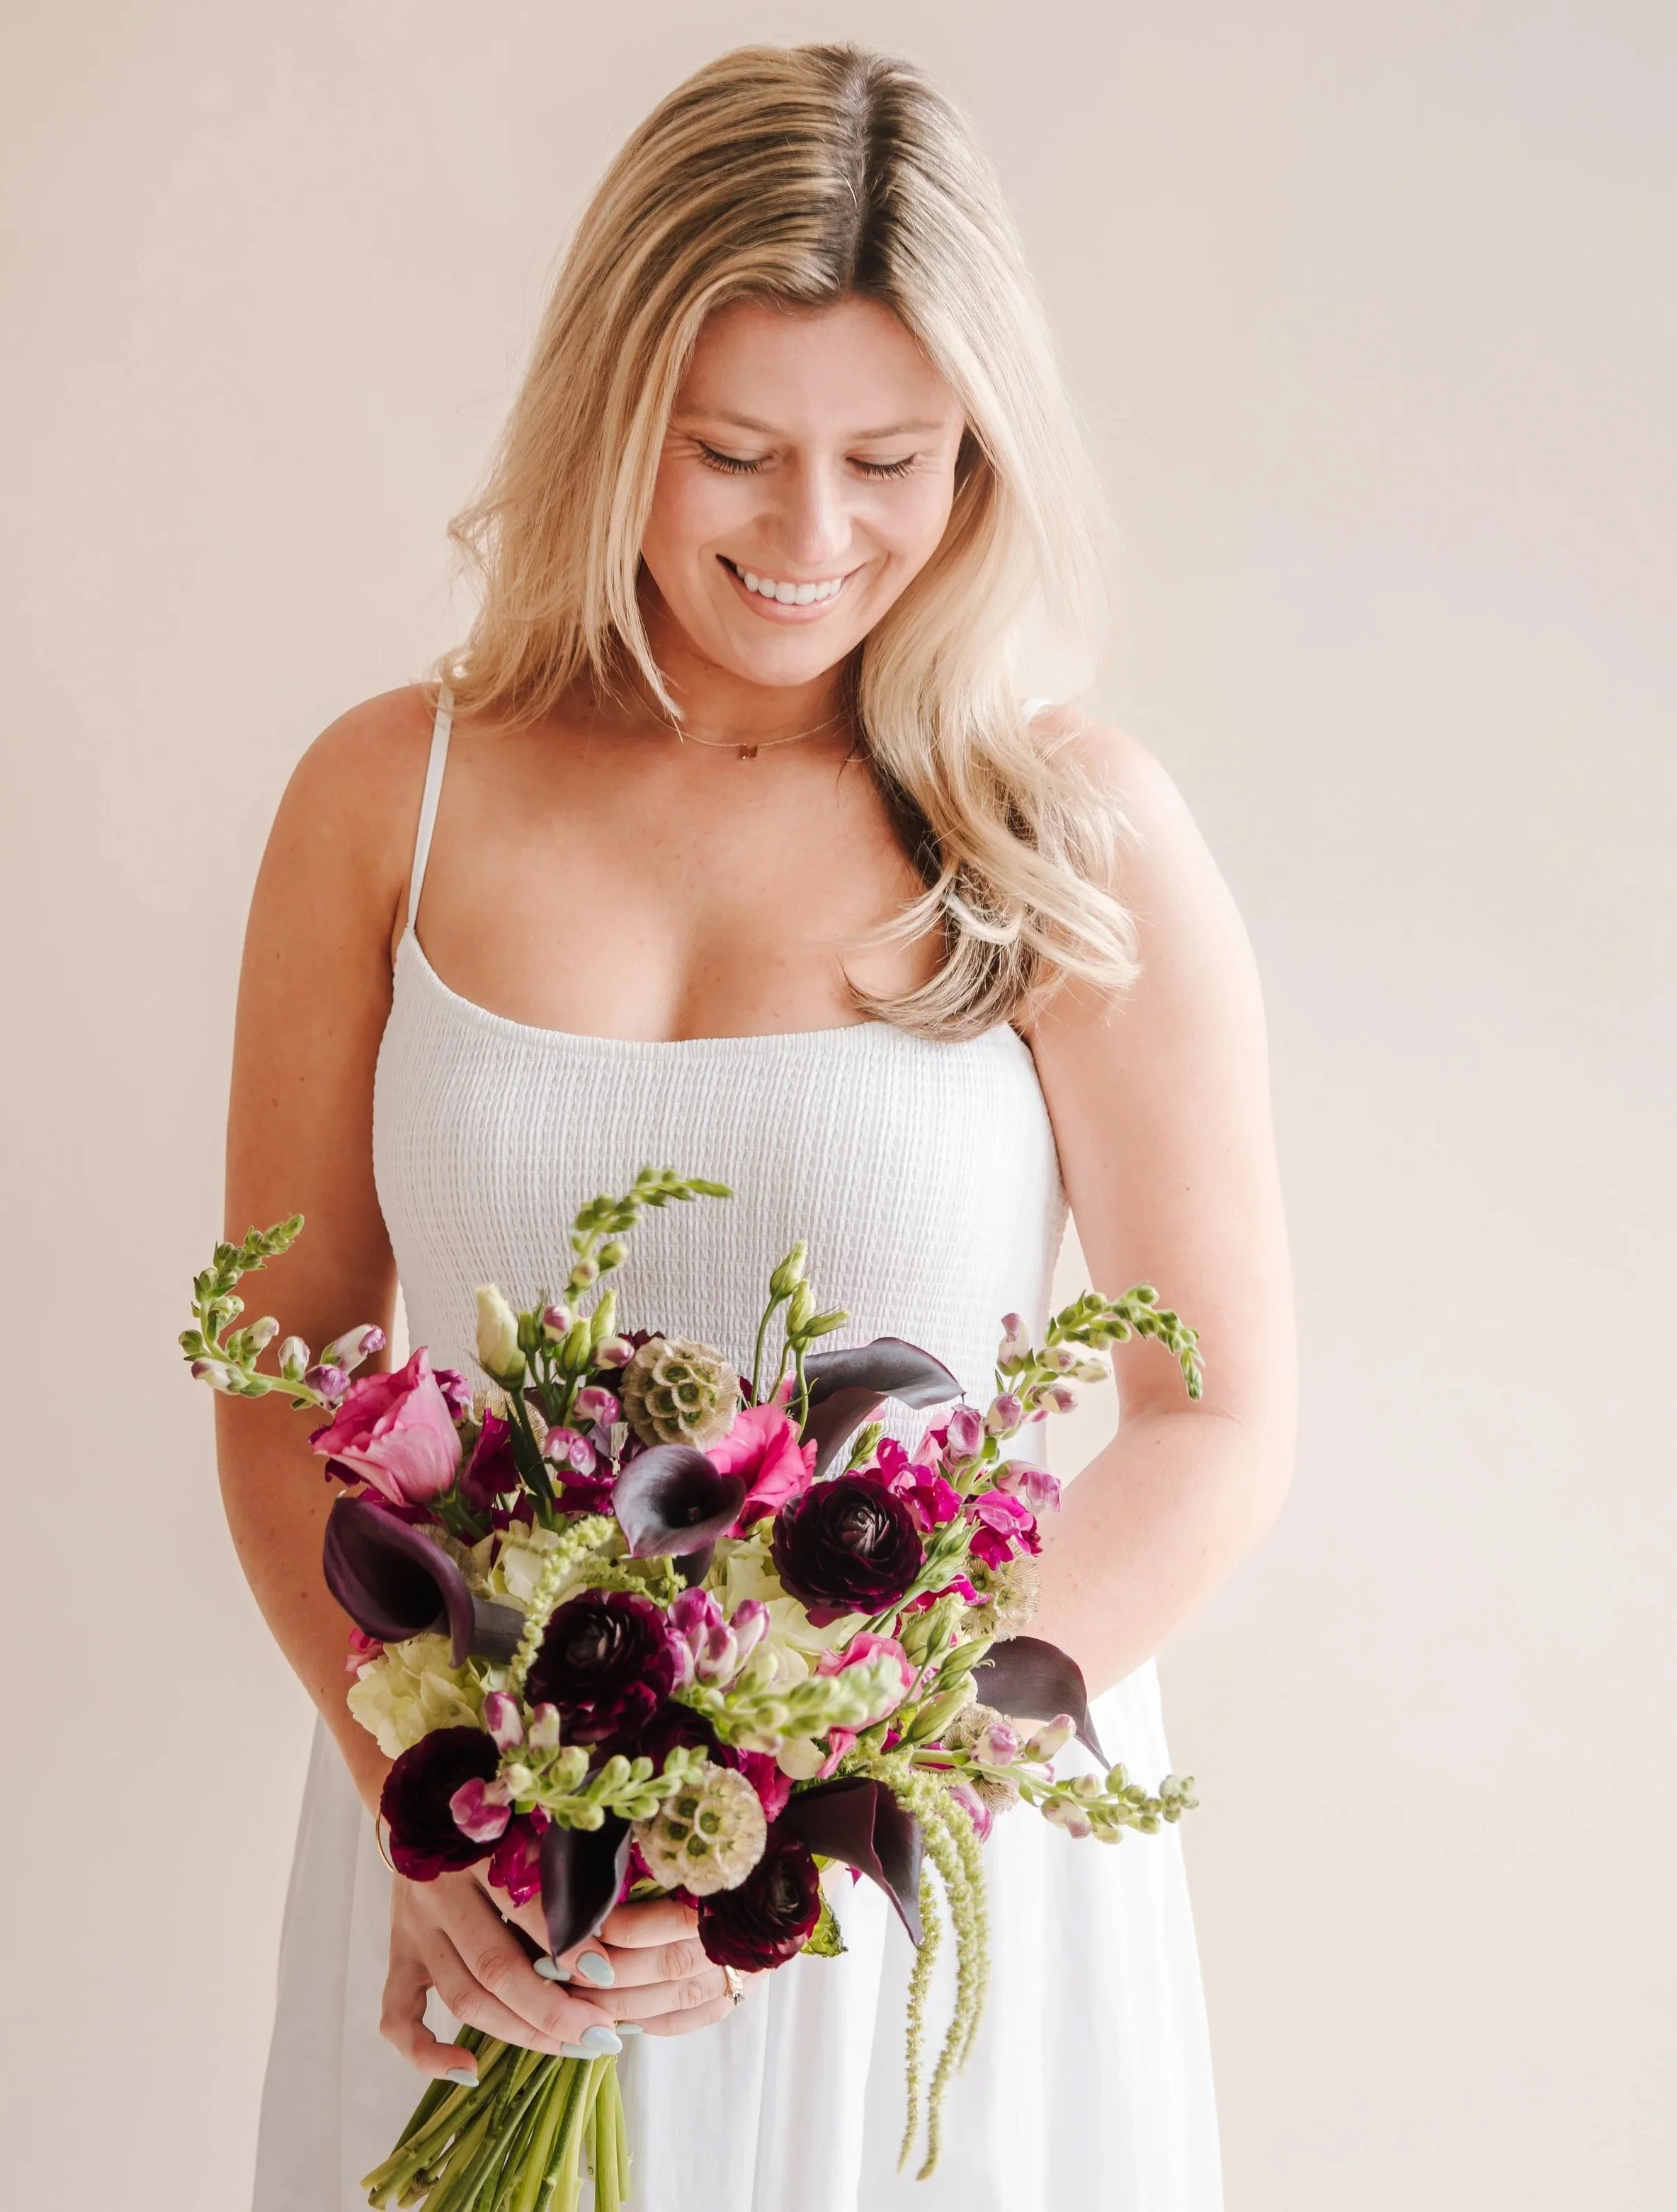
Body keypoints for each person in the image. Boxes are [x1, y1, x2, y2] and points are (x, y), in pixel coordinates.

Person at [219, 40, 1295, 2212]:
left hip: (920, 1889)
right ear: (615, 413)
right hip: (483, 1893)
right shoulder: (384, 796)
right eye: (732, 453)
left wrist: (825, 1796)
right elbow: (291, 1364)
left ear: (983, 455)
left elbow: (1211, 1411)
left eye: (893, 458)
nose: (815, 540)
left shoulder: (1057, 828)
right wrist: (425, 1806)